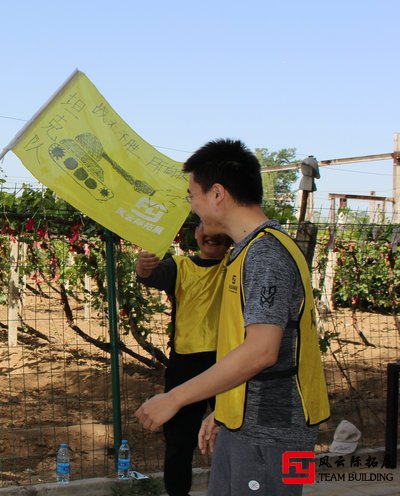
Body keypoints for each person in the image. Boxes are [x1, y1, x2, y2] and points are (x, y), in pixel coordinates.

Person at [134, 139, 329, 496]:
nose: (191, 204)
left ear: (218, 193)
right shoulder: (250, 250)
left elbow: (261, 351)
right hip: (247, 426)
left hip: (270, 433)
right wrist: (223, 411)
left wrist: (175, 398)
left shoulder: (265, 255)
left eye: (192, 194)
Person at [135, 222, 231, 496]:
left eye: (219, 227)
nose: (211, 234)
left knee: (234, 432)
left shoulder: (238, 265)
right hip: (186, 365)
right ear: (197, 233)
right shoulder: (180, 267)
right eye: (205, 227)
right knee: (179, 440)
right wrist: (142, 267)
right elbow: (150, 276)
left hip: (231, 363)